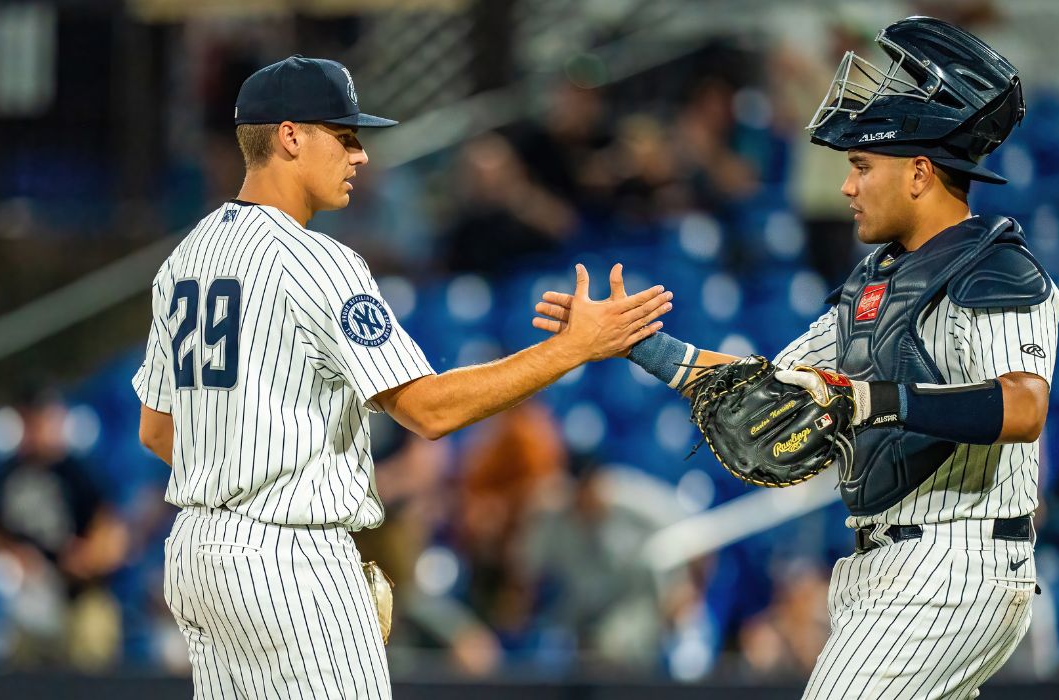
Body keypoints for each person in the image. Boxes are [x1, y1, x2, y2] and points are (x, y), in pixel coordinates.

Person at [535, 17, 1059, 698]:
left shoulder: (995, 269)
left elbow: (1024, 405)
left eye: (862, 166)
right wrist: (640, 343)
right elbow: (775, 384)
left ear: (921, 174)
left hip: (954, 560)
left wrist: (872, 400)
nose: (847, 186)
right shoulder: (878, 281)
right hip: (887, 565)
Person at [132, 55, 672, 699]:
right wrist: (573, 348)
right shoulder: (318, 261)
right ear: (290, 136)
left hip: (198, 555)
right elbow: (430, 411)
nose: (360, 156)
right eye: (345, 135)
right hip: (289, 556)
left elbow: (159, 431)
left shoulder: (187, 255)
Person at [0, 385, 129, 667]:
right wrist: (14, 554)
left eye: (42, 418)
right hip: (28, 593)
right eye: (29, 419)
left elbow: (112, 529)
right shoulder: (4, 476)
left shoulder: (79, 471)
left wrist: (89, 558)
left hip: (80, 593)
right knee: (13, 647)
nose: (36, 428)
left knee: (91, 639)